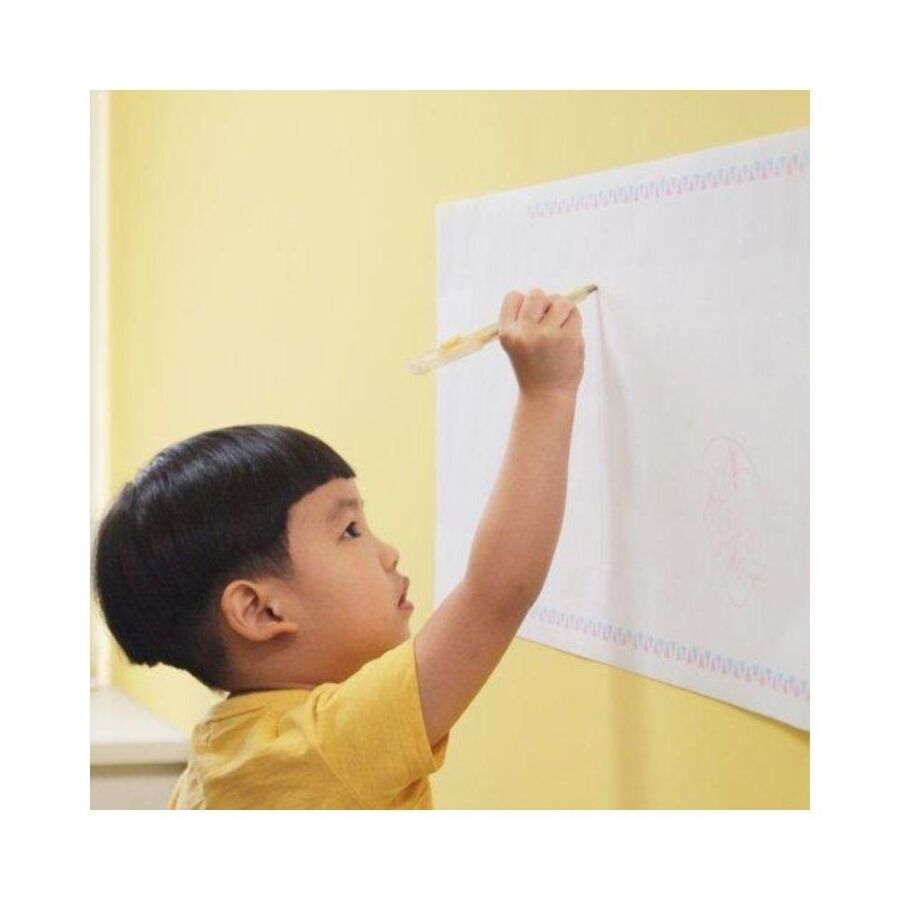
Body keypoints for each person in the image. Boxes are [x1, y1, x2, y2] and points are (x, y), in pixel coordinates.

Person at [92, 288, 585, 808]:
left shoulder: (223, 760)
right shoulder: (322, 749)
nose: (388, 553)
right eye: (350, 530)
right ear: (260, 610)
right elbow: (496, 594)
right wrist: (547, 393)